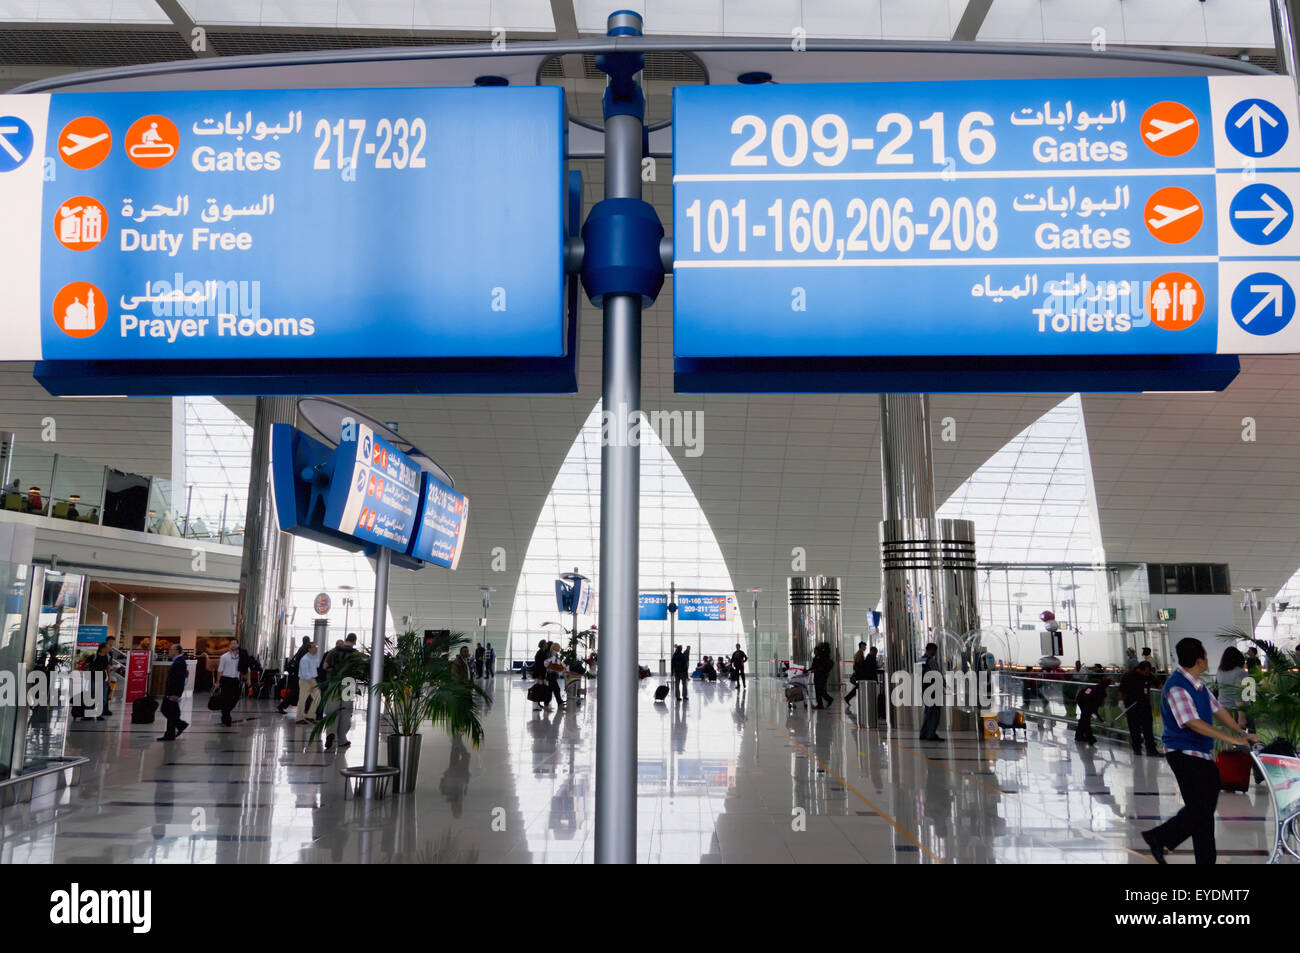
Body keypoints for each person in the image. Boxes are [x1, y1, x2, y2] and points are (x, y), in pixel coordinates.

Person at [1142, 638, 1259, 865]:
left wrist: (1241, 732)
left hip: (1200, 754)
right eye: (1205, 654)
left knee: (1202, 810)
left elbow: (1217, 709)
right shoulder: (1176, 687)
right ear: (1199, 660)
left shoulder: (1198, 683)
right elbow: (1192, 722)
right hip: (1183, 754)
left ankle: (1162, 838)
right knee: (1201, 811)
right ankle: (1161, 838)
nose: (1208, 658)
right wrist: (1230, 738)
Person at [1118, 661, 1158, 756]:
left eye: (1148, 672)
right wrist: (1120, 701)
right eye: (1145, 672)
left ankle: (1151, 750)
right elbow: (1121, 689)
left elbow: (1157, 683)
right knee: (1134, 729)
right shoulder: (1128, 676)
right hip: (1132, 707)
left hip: (1145, 706)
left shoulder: (1148, 675)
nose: (1147, 674)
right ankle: (1137, 749)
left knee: (1148, 729)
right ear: (1139, 669)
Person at [157, 643, 189, 741]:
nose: (169, 651)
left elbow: (180, 680)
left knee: (166, 710)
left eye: (171, 649)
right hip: (171, 691)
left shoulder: (180, 662)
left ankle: (180, 725)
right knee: (172, 712)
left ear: (177, 651)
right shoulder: (178, 661)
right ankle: (171, 733)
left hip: (173, 693)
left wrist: (176, 694)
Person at [1214, 647, 1250, 730]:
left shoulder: (1220, 671)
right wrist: (1241, 718)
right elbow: (1239, 696)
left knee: (1226, 740)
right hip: (1237, 712)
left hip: (1222, 711)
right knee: (1244, 741)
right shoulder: (1241, 672)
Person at [215, 638, 246, 726]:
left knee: (235, 698)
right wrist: (217, 682)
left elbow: (246, 668)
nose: (233, 645)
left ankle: (225, 712)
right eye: (231, 644)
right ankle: (227, 718)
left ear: (238, 645)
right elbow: (220, 670)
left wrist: (248, 680)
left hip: (235, 680)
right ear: (229, 646)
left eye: (234, 643)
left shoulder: (241, 657)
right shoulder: (224, 656)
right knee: (226, 699)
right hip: (225, 679)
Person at [1074, 675, 1111, 744]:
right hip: (1083, 701)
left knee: (1084, 719)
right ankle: (1089, 737)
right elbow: (1094, 711)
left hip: (1082, 700)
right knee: (1086, 719)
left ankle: (1079, 736)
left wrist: (1101, 720)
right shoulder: (1096, 693)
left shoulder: (1094, 689)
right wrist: (1102, 721)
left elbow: (1094, 710)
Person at [278, 637, 311, 715]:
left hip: (298, 674)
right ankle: (306, 709)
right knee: (301, 691)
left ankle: (283, 706)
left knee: (297, 691)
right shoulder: (305, 650)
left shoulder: (301, 649)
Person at [919, 642, 943, 740]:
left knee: (928, 712)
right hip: (933, 689)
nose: (935, 652)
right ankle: (931, 734)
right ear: (931, 650)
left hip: (924, 689)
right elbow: (938, 675)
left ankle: (923, 733)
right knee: (934, 712)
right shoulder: (931, 661)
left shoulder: (921, 660)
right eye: (935, 650)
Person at [87, 642, 111, 719]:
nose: (109, 648)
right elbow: (85, 664)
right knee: (92, 696)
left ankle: (99, 714)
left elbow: (108, 667)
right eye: (108, 647)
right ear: (103, 649)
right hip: (93, 678)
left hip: (102, 678)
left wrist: (109, 678)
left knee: (103, 697)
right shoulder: (94, 656)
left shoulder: (107, 656)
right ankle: (89, 714)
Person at [809, 642, 834, 710]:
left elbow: (821, 667)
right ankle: (821, 704)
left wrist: (816, 670)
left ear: (818, 651)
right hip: (817, 676)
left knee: (820, 690)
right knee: (818, 690)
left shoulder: (822, 658)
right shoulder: (816, 658)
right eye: (814, 651)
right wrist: (807, 670)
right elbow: (813, 667)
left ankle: (828, 700)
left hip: (821, 676)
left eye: (815, 651)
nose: (814, 652)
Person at [843, 641, 868, 707]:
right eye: (865, 646)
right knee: (858, 686)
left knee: (858, 687)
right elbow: (859, 663)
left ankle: (848, 698)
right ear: (862, 646)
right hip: (859, 673)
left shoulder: (859, 653)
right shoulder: (860, 653)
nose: (865, 647)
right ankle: (848, 698)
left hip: (858, 673)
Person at [545, 642, 566, 710]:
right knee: (555, 689)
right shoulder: (553, 653)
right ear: (554, 647)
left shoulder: (553, 653)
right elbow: (552, 663)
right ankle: (559, 705)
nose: (559, 648)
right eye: (558, 647)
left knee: (551, 690)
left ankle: (548, 705)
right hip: (551, 674)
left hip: (551, 674)